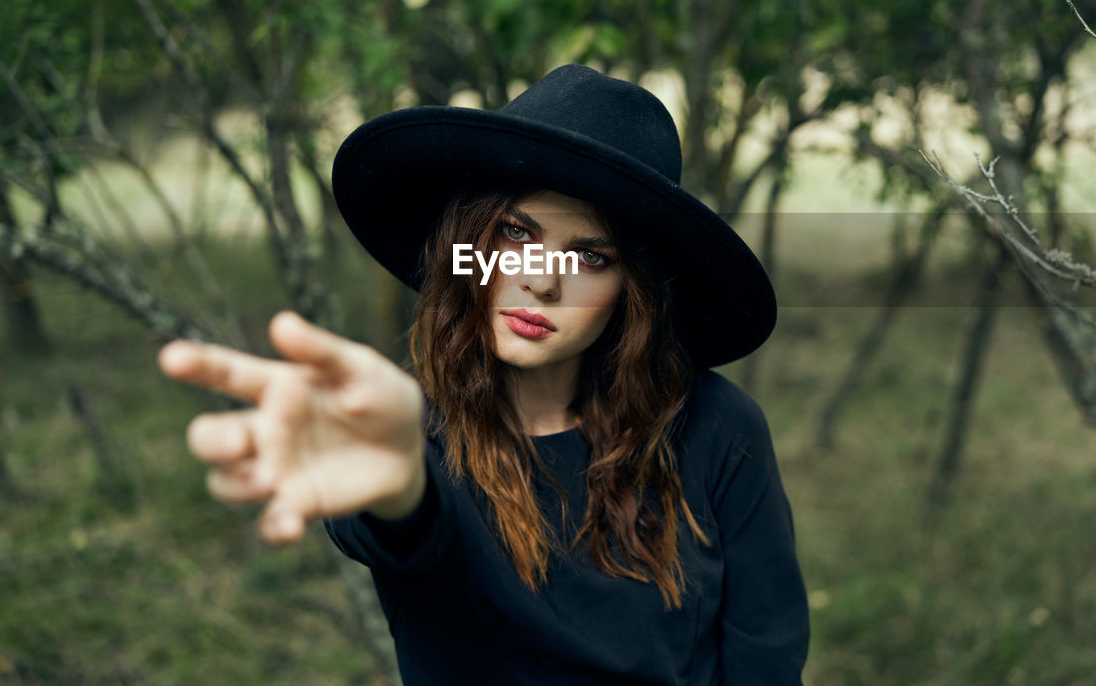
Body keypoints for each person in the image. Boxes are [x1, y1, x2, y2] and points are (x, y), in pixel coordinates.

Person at [157, 64, 810, 684]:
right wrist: (395, 480)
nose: (541, 280)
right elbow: (399, 511)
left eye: (589, 257)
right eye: (515, 232)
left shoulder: (717, 427)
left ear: (631, 291)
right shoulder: (408, 436)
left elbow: (766, 655)